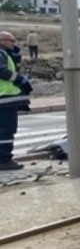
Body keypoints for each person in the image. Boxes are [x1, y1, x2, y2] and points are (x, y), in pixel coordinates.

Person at [0, 31, 32, 171]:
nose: (14, 43)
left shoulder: (5, 54)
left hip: (5, 97)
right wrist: (20, 79)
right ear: (2, 40)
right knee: (7, 130)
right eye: (11, 41)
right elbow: (2, 72)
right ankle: (4, 159)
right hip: (5, 97)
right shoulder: (1, 54)